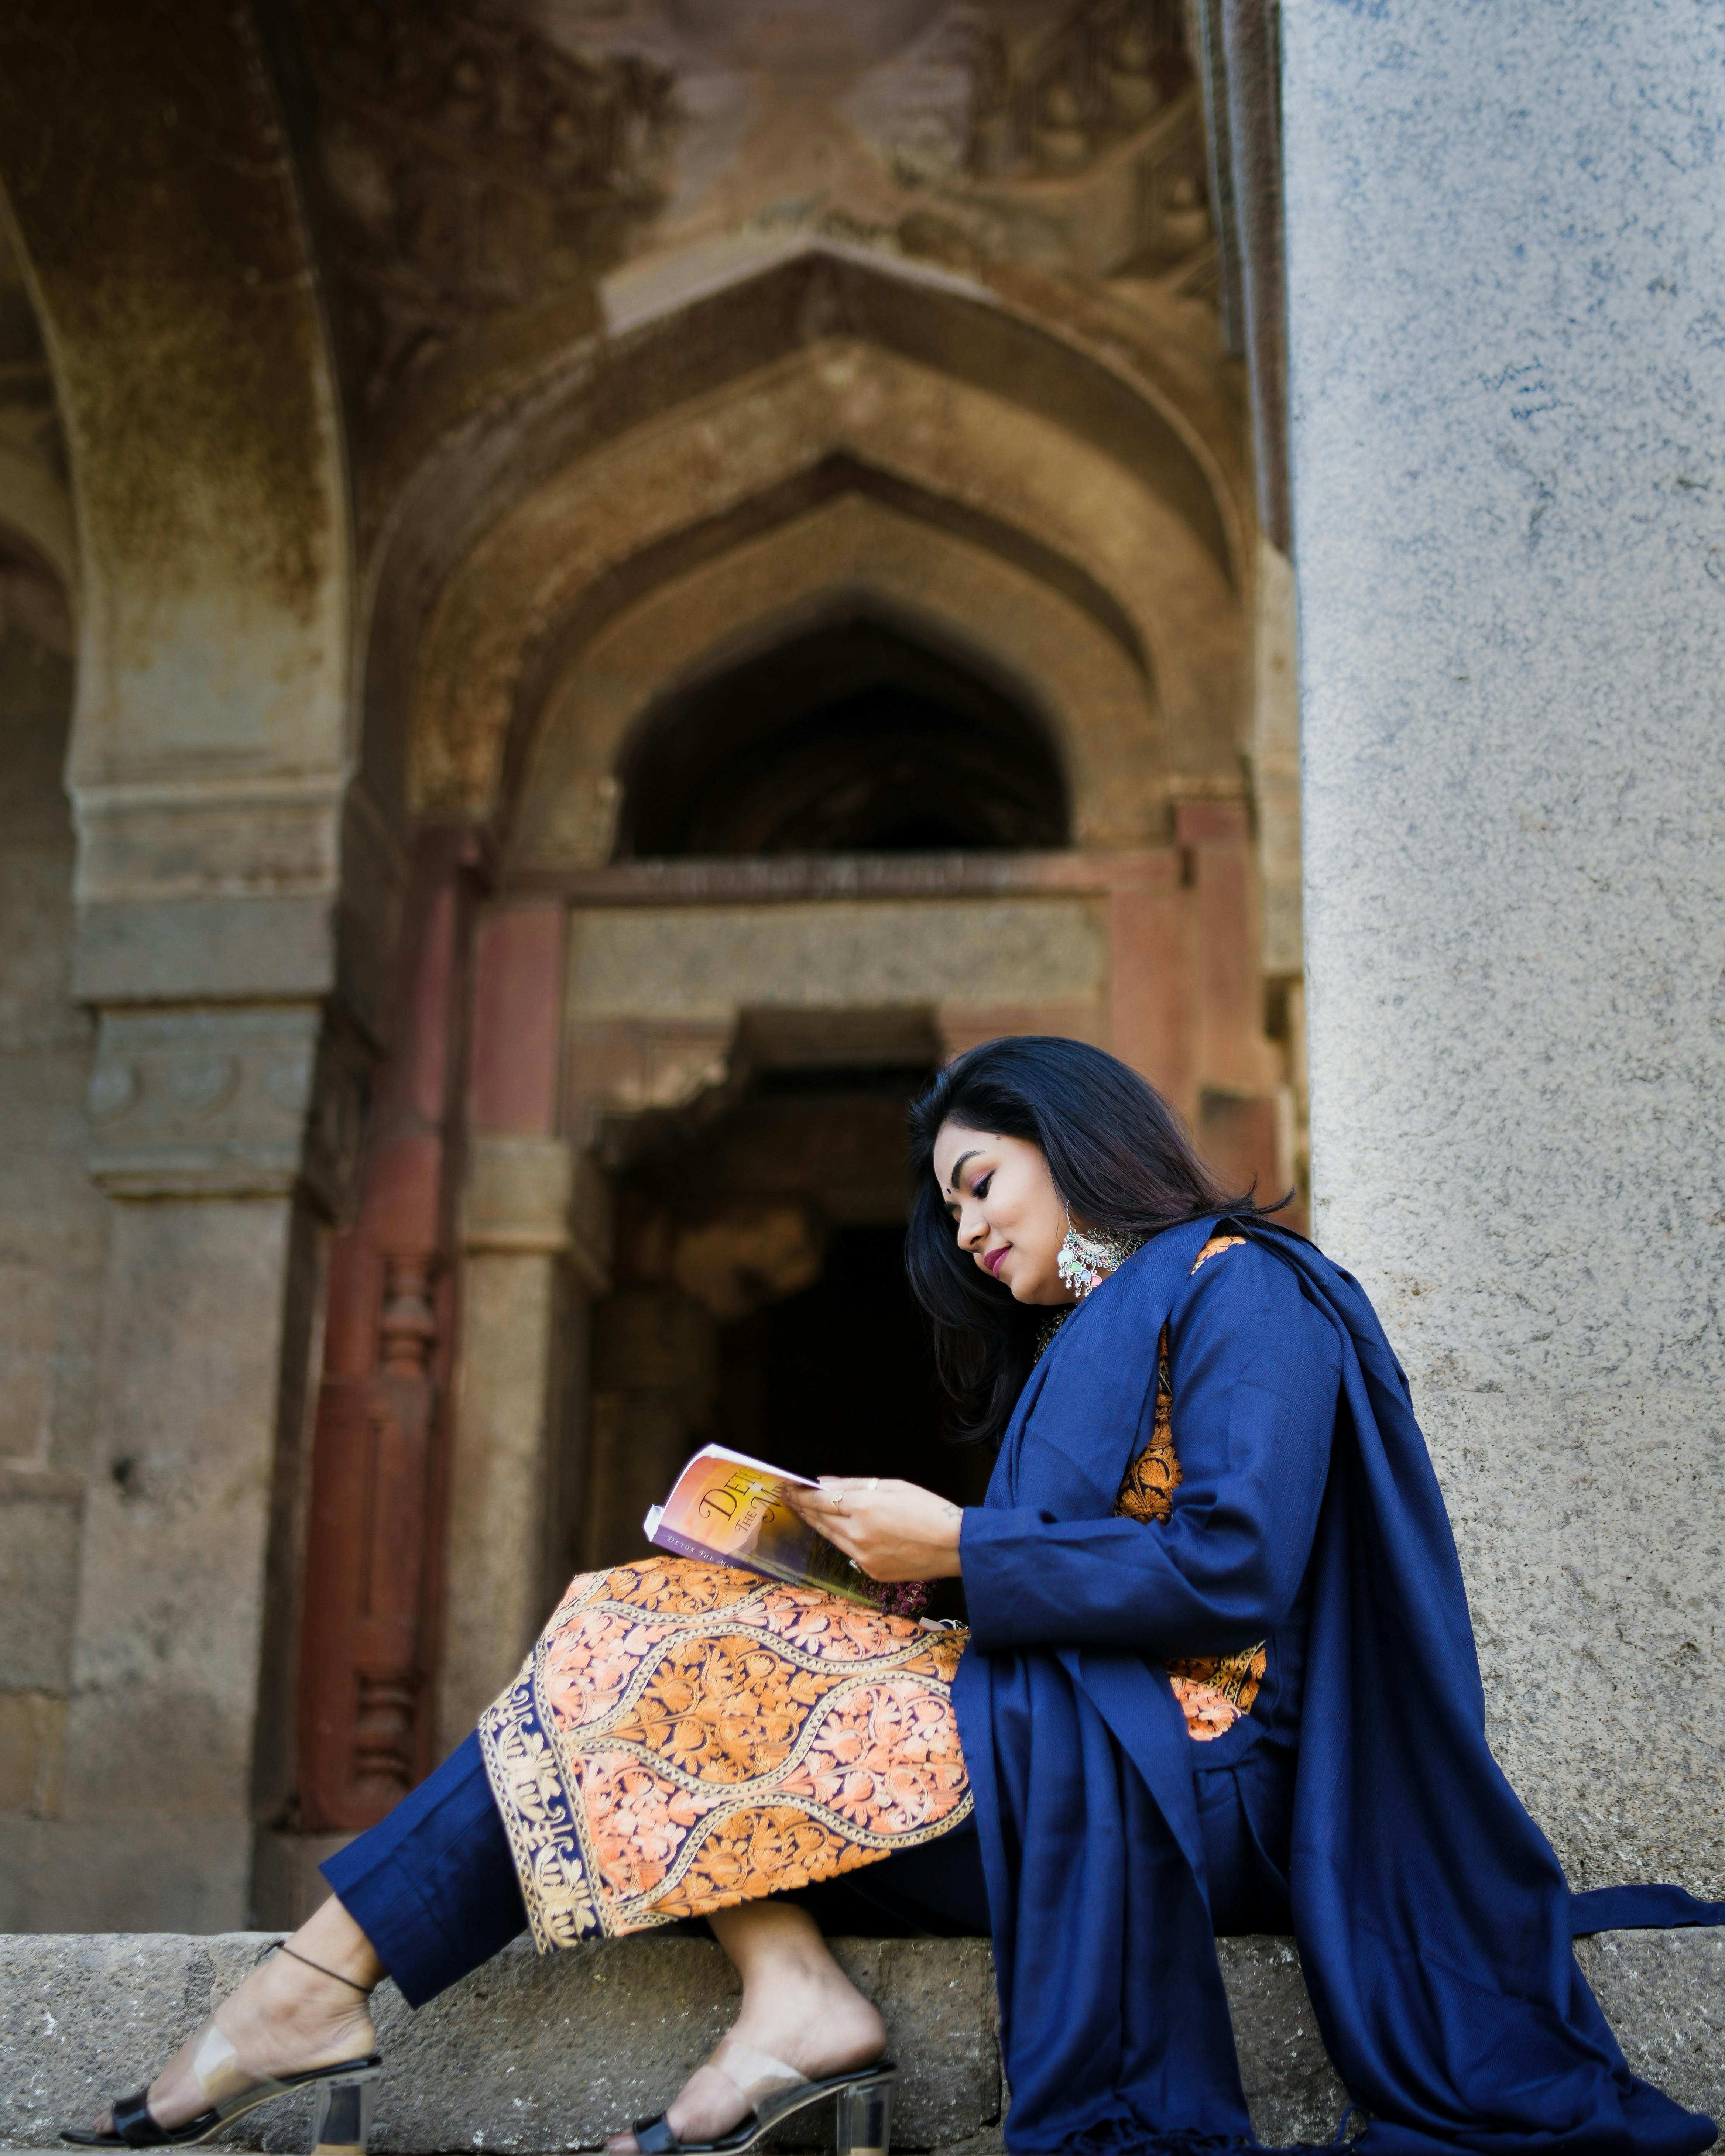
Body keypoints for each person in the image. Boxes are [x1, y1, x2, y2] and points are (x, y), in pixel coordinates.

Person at [64, 1038, 1721, 2156]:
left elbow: (1233, 1567)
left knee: (646, 1630)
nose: (967, 1224)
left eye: (981, 1182)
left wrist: (958, 1547)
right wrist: (895, 1574)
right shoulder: (1108, 1329)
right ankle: (762, 1986)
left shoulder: (1245, 1291)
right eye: (949, 1204)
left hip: (1199, 1775)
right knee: (649, 1614)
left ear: (1076, 1146)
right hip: (1074, 1743)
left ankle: (318, 1986)